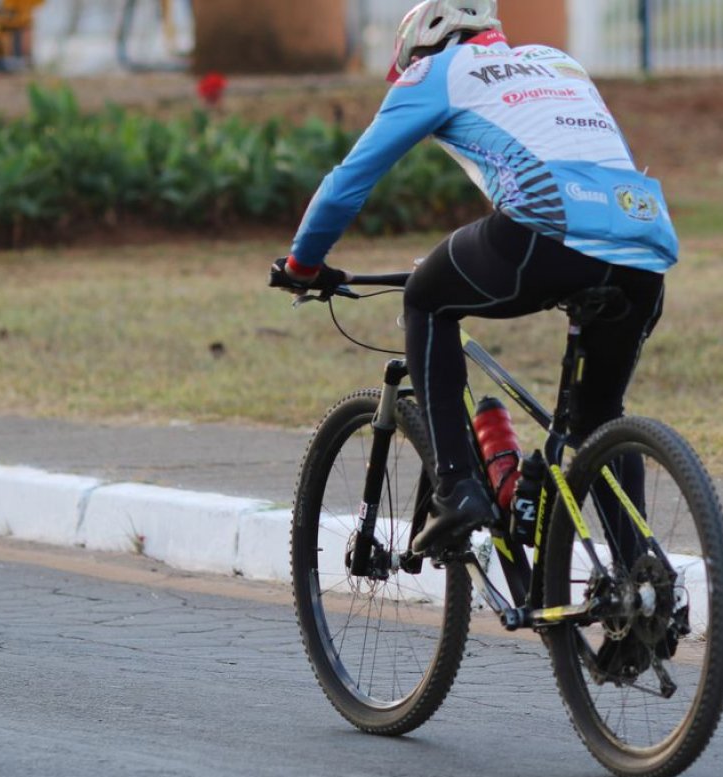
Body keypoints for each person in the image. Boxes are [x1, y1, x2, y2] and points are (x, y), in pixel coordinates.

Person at [281, 0, 678, 556]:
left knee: (426, 298)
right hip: (644, 239)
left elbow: (350, 179)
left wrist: (303, 263)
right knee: (599, 417)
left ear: (422, 45)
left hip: (547, 230)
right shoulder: (558, 62)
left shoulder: (436, 72)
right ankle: (639, 586)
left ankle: (457, 487)